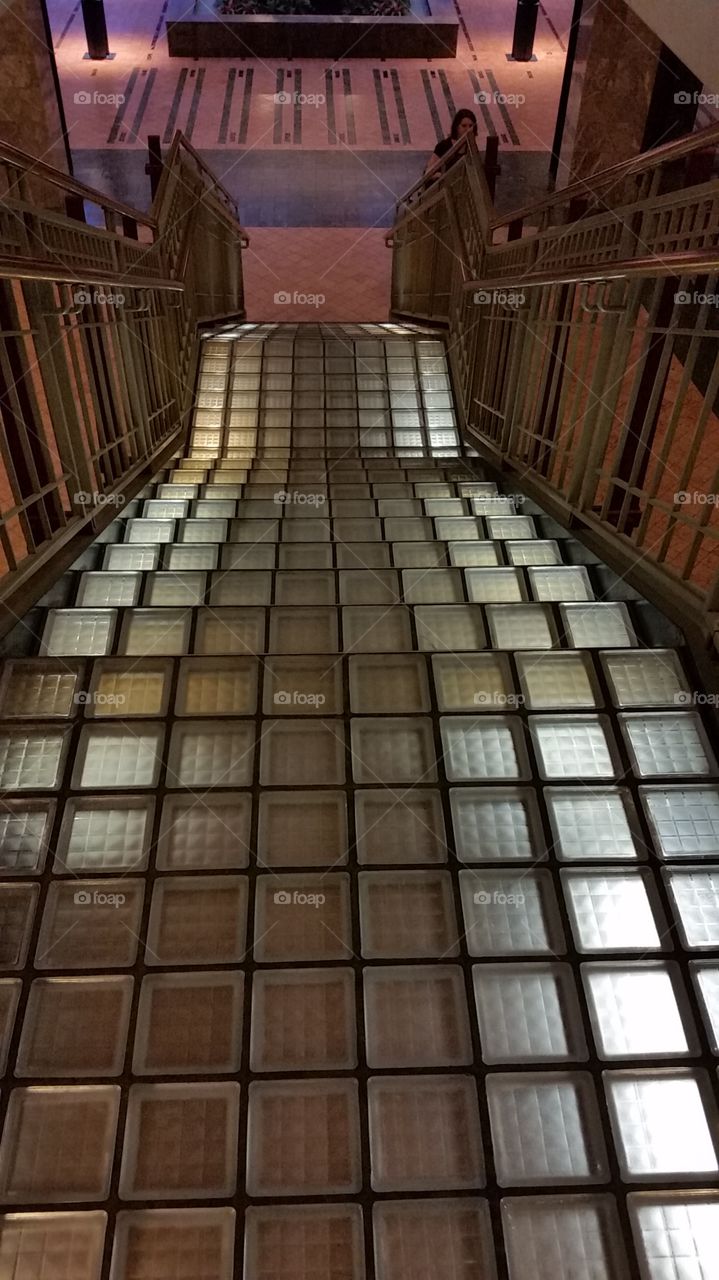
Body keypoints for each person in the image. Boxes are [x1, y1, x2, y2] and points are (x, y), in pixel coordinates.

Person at [424, 109, 479, 181]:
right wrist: (441, 176)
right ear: (456, 127)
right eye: (464, 126)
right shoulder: (443, 146)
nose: (468, 129)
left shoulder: (472, 147)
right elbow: (428, 172)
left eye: (470, 126)